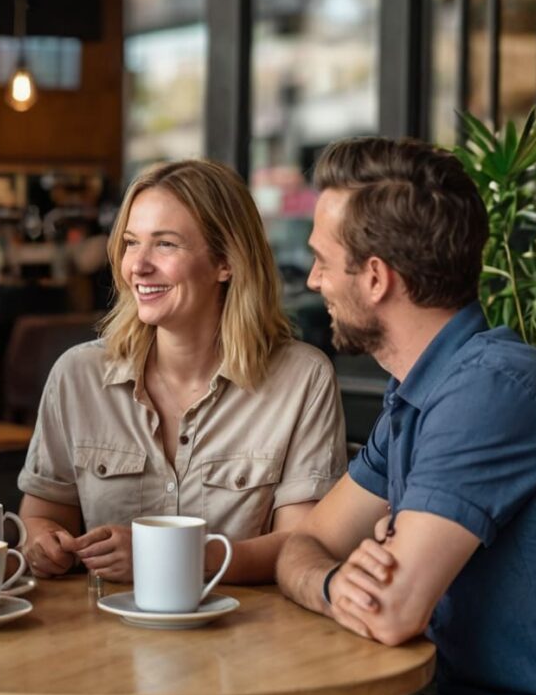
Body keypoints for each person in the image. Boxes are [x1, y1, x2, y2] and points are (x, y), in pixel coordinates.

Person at [224, 137, 536, 695]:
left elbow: (386, 612)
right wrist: (330, 581)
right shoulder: (422, 391)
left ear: (377, 278)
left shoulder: (490, 390)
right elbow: (304, 541)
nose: (314, 280)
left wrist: (330, 580)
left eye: (324, 261)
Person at [18, 158, 347, 584]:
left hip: (245, 640)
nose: (138, 265)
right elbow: (41, 516)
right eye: (131, 242)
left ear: (225, 261)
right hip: (103, 636)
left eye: (166, 244)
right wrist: (45, 545)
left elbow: (301, 545)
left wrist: (169, 558)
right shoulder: (77, 375)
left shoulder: (302, 379)